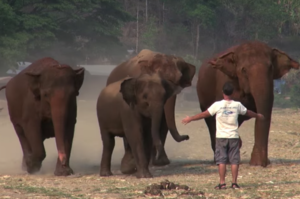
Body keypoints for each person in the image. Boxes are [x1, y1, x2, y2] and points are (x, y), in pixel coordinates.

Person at [181, 82, 264, 190]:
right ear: (233, 93)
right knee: (234, 161)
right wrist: (257, 116)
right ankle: (234, 183)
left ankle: (222, 183)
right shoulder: (237, 105)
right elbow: (248, 113)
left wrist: (190, 118)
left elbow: (204, 114)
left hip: (221, 137)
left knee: (221, 160)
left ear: (222, 92)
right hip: (234, 136)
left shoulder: (217, 105)